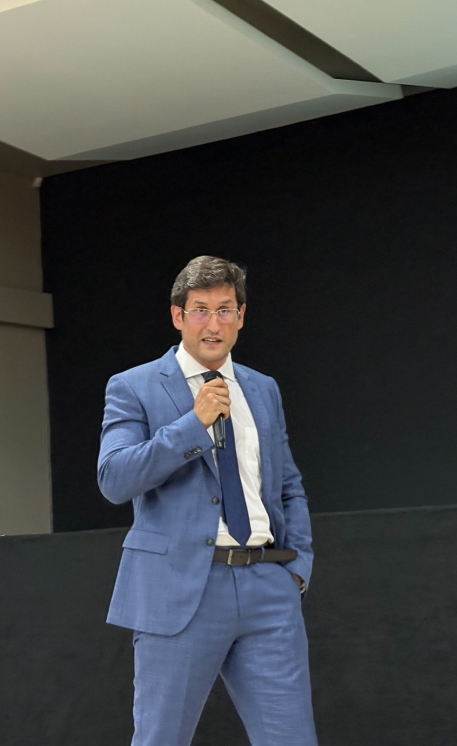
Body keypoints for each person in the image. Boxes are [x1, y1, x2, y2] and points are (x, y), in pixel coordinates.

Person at [97, 255, 317, 746]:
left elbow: (287, 484)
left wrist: (297, 568)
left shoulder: (262, 388)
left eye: (224, 310)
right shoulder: (133, 386)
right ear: (178, 316)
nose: (213, 324)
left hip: (268, 587)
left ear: (241, 316)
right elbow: (114, 479)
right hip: (179, 589)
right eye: (200, 310)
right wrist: (191, 425)